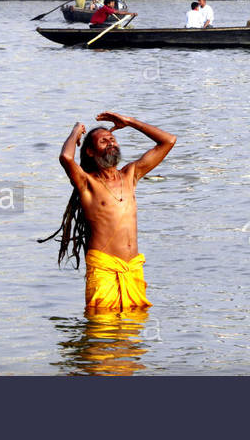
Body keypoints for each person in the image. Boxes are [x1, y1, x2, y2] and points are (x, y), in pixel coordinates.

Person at [40, 113, 177, 312]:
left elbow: (168, 141)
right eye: (103, 141)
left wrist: (129, 122)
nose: (111, 143)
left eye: (112, 139)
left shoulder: (131, 174)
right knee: (101, 335)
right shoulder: (88, 183)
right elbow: (66, 157)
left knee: (133, 336)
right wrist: (76, 131)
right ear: (89, 151)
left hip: (133, 269)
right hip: (104, 270)